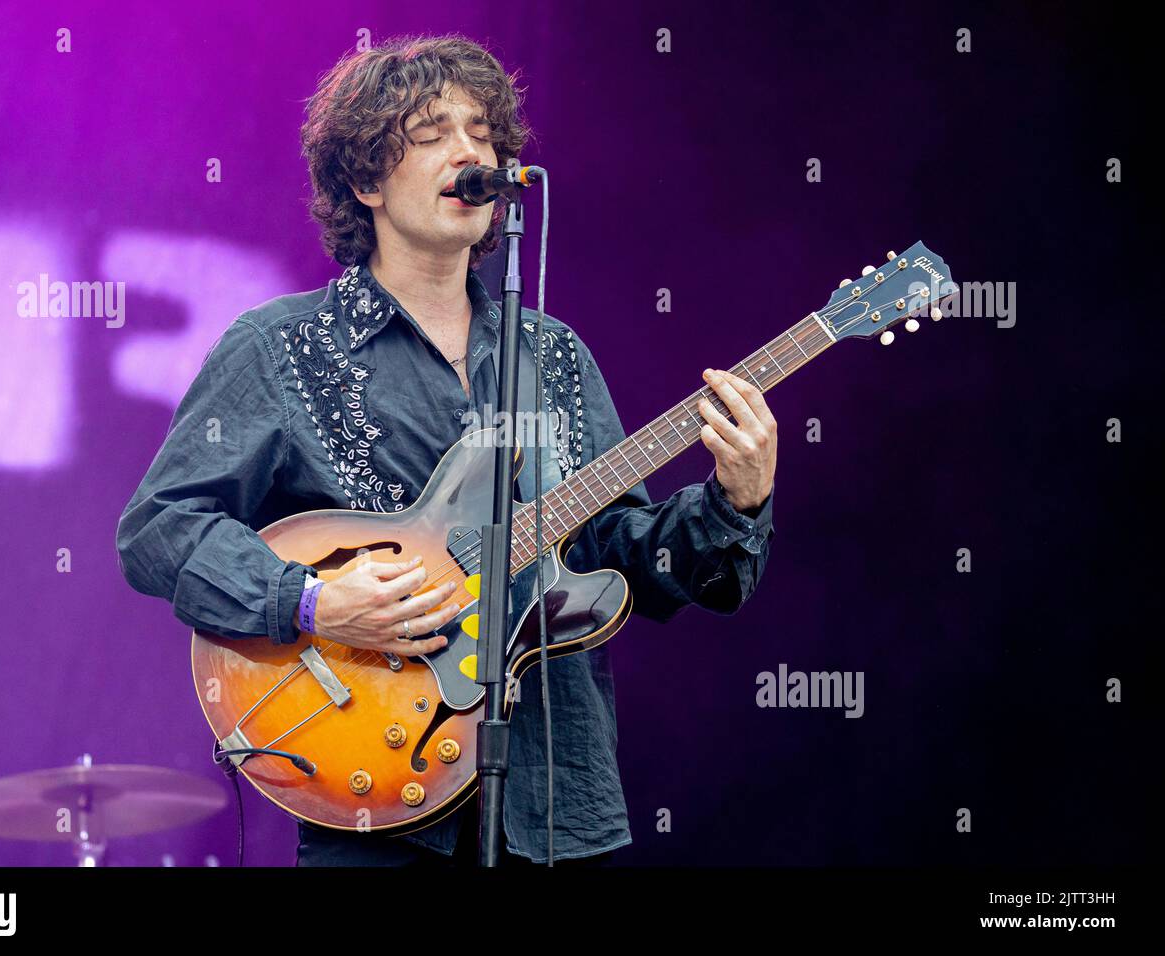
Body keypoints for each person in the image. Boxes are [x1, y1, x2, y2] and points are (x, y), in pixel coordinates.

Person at [115, 34, 777, 866]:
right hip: (373, 782)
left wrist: (735, 500)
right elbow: (158, 532)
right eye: (431, 132)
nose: (471, 152)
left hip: (554, 803)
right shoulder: (281, 346)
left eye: (482, 132)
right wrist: (312, 601)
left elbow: (624, 563)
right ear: (366, 181)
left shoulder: (555, 355)